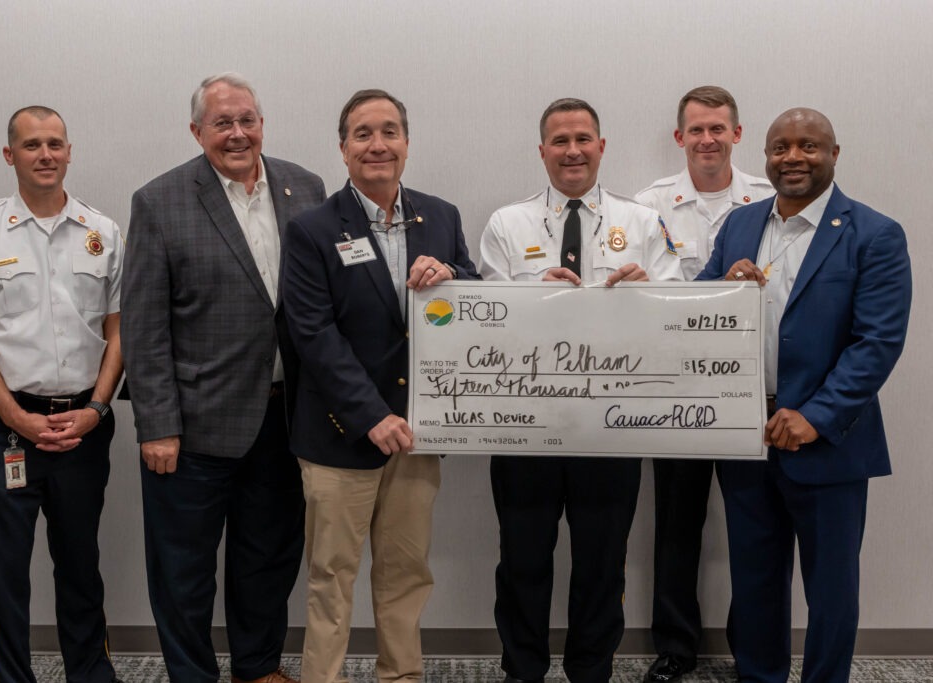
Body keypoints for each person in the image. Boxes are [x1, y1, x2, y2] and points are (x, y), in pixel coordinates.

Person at [120, 73, 325, 683]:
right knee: (183, 569)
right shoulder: (159, 201)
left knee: (267, 558)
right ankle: (191, 674)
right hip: (191, 428)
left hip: (286, 418)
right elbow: (143, 325)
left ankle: (259, 668)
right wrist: (156, 425)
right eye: (222, 123)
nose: (238, 134)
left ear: (262, 123)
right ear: (197, 131)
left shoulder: (307, 188)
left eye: (248, 120)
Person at [699, 108, 911, 683]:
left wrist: (815, 416)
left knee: (831, 589)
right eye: (780, 147)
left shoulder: (875, 233)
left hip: (828, 444)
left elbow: (878, 342)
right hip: (746, 437)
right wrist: (719, 290)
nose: (793, 157)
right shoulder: (739, 225)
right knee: (755, 583)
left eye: (809, 146)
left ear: (834, 154)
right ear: (765, 156)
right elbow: (695, 311)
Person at [279, 89, 478, 683]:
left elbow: (473, 291)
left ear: (407, 144)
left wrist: (454, 275)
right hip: (340, 435)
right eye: (363, 134)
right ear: (343, 150)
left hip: (417, 432)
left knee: (406, 572)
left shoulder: (440, 216)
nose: (377, 144)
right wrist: (370, 415)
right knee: (331, 575)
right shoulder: (311, 229)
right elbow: (312, 335)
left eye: (389, 131)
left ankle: (402, 675)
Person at [479, 98, 681, 683]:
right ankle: (523, 670)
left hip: (613, 428)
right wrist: (533, 294)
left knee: (602, 563)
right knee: (521, 560)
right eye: (560, 140)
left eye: (583, 139)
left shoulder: (641, 221)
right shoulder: (506, 224)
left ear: (601, 146)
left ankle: (591, 671)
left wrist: (648, 292)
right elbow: (485, 319)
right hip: (526, 430)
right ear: (541, 150)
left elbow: (677, 317)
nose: (573, 150)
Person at [0, 106, 123, 683]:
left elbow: (121, 330)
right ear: (9, 155)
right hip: (3, 427)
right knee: (3, 568)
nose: (46, 154)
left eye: (56, 143)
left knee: (80, 564)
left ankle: (90, 674)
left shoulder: (103, 232)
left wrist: (96, 409)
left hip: (82, 425)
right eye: (32, 144)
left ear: (69, 152)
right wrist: (16, 415)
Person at [633, 86, 772, 683]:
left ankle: (754, 647)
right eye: (697, 130)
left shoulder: (770, 200)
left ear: (737, 134)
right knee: (676, 525)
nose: (708, 139)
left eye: (719, 128)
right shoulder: (648, 205)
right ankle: (674, 646)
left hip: (751, 390)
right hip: (673, 390)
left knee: (754, 526)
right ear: (680, 138)